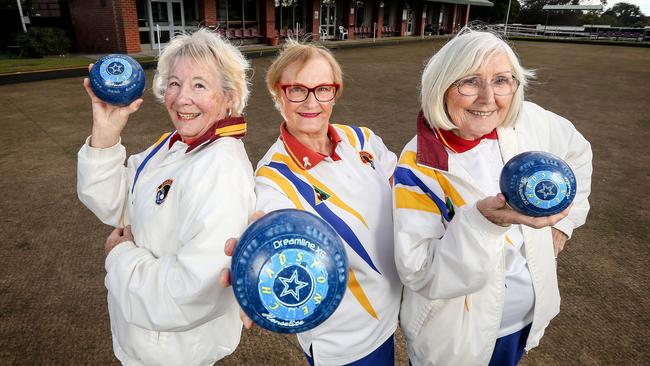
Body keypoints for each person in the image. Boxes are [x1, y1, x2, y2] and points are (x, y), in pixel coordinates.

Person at [393, 29, 592, 366]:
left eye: (502, 80)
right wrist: (484, 224)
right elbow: (421, 271)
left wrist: (565, 225)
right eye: (469, 81)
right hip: (457, 342)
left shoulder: (529, 122)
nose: (488, 98)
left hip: (524, 322)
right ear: (441, 85)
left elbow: (577, 152)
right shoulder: (418, 164)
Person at [76, 29, 255, 366]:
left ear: (229, 97)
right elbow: (112, 201)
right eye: (174, 83)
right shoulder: (173, 145)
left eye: (199, 85)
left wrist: (119, 255)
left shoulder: (220, 169)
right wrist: (106, 130)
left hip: (175, 353)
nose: (182, 98)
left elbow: (189, 293)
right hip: (144, 341)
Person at [238, 40, 401, 365]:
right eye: (297, 89)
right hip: (348, 343)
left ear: (335, 92)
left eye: (322, 88)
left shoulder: (362, 140)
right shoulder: (273, 177)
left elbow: (403, 194)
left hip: (395, 313)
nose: (311, 101)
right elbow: (273, 231)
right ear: (277, 94)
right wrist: (259, 256)